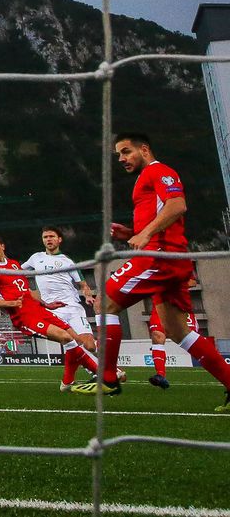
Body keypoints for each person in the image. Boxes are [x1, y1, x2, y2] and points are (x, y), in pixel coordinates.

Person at [73, 133, 230, 411]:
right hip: (168, 256)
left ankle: (108, 378)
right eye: (118, 155)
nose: (121, 159)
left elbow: (178, 205)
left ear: (144, 149)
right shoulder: (146, 179)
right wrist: (133, 233)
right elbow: (163, 215)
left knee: (105, 301)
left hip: (158, 257)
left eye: (126, 152)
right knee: (178, 331)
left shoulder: (160, 171)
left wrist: (145, 234)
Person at [0, 233, 102, 385]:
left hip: (39, 309)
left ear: (2, 246)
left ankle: (69, 382)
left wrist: (46, 304)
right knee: (65, 337)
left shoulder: (14, 264)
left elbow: (28, 291)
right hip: (24, 317)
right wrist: (11, 304)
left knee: (75, 338)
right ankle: (102, 373)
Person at [20, 226, 101, 391]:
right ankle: (95, 371)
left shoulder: (67, 261)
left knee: (89, 345)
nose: (48, 239)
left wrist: (87, 295)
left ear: (59, 240)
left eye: (51, 236)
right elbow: (17, 272)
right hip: (53, 310)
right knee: (72, 341)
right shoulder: (36, 258)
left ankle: (72, 380)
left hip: (73, 307)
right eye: (45, 237)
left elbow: (83, 284)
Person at [145, 281, 200, 390]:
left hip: (179, 307)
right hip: (159, 307)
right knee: (157, 336)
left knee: (191, 341)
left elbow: (192, 282)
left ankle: (224, 374)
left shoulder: (178, 264)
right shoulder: (149, 266)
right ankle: (160, 375)